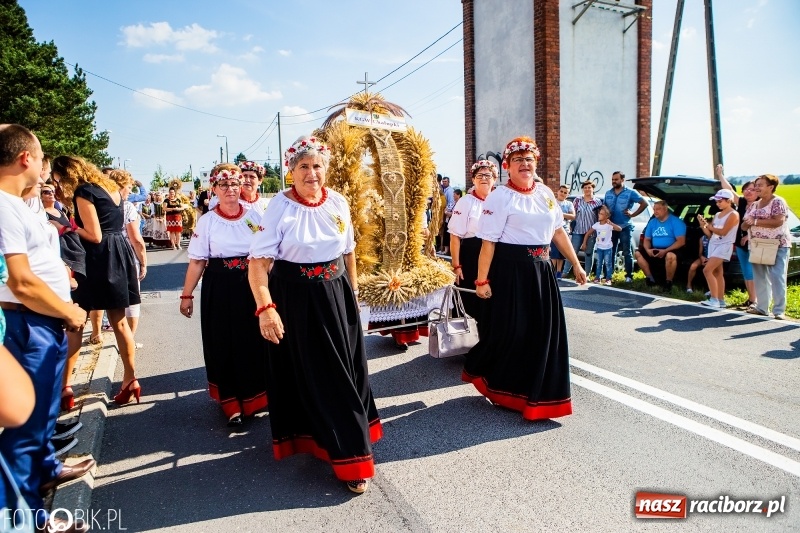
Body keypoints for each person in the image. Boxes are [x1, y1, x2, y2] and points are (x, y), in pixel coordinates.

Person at [249, 135, 382, 494]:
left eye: (317, 166)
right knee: (321, 376)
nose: (312, 173)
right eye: (304, 167)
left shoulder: (337, 201)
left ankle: (345, 437)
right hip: (297, 299)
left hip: (337, 293)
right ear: (291, 172)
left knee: (349, 371)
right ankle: (352, 457)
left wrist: (353, 292)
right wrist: (266, 309)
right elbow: (258, 265)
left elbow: (348, 251)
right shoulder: (279, 207)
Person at [0, 125, 90, 533]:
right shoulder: (4, 207)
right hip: (26, 323)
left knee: (42, 417)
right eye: (39, 157)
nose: (43, 166)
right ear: (25, 158)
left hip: (39, 319)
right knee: (25, 427)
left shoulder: (17, 204)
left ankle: (46, 471)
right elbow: (20, 281)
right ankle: (24, 519)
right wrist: (68, 311)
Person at [462, 136, 587, 421]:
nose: (524, 164)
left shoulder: (545, 193)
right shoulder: (499, 197)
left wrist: (576, 264)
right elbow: (488, 243)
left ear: (535, 163)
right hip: (510, 273)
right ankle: (501, 386)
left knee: (544, 335)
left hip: (542, 271)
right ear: (507, 166)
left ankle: (538, 396)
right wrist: (481, 281)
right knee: (512, 333)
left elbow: (558, 232)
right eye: (518, 160)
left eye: (529, 159)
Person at [179, 165, 268, 427]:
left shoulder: (254, 216)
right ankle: (230, 402)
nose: (230, 189)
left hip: (250, 285)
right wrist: (186, 295)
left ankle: (254, 397)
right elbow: (197, 261)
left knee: (251, 341)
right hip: (220, 288)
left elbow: (268, 255)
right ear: (215, 189)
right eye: (224, 185)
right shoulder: (208, 221)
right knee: (222, 342)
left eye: (234, 184)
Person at [51, 155, 142, 406]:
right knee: (120, 323)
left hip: (97, 260)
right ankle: (130, 379)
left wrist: (65, 227)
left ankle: (65, 388)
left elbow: (94, 235)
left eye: (58, 179)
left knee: (76, 323)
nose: (57, 184)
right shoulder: (109, 188)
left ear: (67, 175)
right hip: (119, 253)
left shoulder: (84, 191)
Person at [448, 159, 498, 318]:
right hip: (471, 256)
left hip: (495, 256)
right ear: (473, 179)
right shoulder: (466, 202)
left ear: (494, 179)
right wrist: (456, 265)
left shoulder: (499, 201)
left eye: (488, 175)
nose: (484, 178)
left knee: (493, 301)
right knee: (471, 300)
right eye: (479, 175)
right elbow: (455, 236)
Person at [741, 174, 791, 319]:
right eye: (756, 185)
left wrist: (755, 221)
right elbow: (744, 225)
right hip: (757, 245)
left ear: (771, 187)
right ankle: (762, 308)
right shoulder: (754, 205)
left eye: (760, 185)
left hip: (777, 245)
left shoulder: (778, 201)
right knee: (760, 277)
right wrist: (748, 223)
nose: (756, 188)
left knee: (777, 277)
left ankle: (779, 310)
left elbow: (778, 221)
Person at [109, 170, 147, 339]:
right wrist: (143, 261)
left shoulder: (99, 205)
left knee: (113, 301)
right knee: (132, 298)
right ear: (121, 185)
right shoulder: (127, 206)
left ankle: (120, 339)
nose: (130, 191)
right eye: (129, 187)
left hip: (106, 255)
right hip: (126, 255)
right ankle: (129, 340)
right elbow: (136, 239)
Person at [717, 165, 758, 308]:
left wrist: (750, 236)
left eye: (752, 189)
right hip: (740, 243)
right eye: (746, 189)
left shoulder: (760, 206)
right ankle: (751, 299)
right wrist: (720, 175)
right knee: (746, 272)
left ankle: (756, 301)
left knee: (753, 272)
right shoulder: (742, 202)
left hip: (754, 243)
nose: (748, 191)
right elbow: (729, 190)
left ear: (758, 192)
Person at [697, 190, 740, 308]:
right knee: (717, 272)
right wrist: (703, 225)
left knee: (707, 270)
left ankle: (714, 299)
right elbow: (711, 234)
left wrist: (709, 226)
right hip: (714, 244)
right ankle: (720, 300)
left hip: (724, 245)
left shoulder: (733, 214)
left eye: (720, 201)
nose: (718, 204)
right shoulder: (717, 215)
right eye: (716, 201)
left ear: (729, 201)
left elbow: (723, 232)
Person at [604, 171, 649, 283]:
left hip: (625, 226)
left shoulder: (630, 192)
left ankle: (629, 276)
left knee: (627, 252)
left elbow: (644, 203)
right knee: (611, 251)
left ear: (622, 180)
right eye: (612, 179)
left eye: (616, 179)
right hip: (612, 227)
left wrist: (633, 214)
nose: (614, 181)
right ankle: (609, 275)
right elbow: (604, 207)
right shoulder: (608, 193)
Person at [634, 200, 687, 291]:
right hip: (655, 248)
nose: (655, 211)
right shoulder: (652, 222)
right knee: (638, 254)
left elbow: (681, 242)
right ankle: (650, 279)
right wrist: (648, 250)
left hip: (671, 249)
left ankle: (668, 282)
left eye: (658, 209)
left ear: (665, 209)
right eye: (654, 209)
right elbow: (647, 239)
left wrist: (665, 251)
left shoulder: (676, 222)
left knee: (670, 256)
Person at [564, 180, 603, 277]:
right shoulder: (578, 200)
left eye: (589, 187)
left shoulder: (597, 202)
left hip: (591, 232)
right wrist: (571, 225)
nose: (587, 189)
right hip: (578, 230)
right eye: (585, 188)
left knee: (589, 253)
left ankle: (587, 275)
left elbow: (600, 217)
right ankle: (565, 272)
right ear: (583, 189)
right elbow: (573, 214)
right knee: (573, 252)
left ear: (593, 189)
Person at [583, 205, 621, 285]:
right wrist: (584, 243)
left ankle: (608, 278)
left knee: (608, 263)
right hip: (599, 248)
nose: (599, 215)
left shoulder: (609, 225)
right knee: (599, 263)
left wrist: (611, 223)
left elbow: (619, 229)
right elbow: (588, 233)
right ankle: (597, 277)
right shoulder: (596, 225)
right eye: (599, 213)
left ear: (606, 216)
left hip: (608, 248)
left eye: (601, 214)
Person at [550, 184, 575, 279]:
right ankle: (552, 271)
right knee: (554, 252)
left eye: (565, 193)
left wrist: (560, 214)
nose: (563, 194)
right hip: (553, 230)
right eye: (561, 191)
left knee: (561, 252)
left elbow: (572, 216)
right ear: (558, 191)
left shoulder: (569, 204)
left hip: (565, 230)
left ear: (567, 194)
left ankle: (559, 272)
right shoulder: (552, 202)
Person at [685, 224, 710, 293]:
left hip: (713, 258)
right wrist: (702, 257)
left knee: (710, 269)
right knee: (693, 266)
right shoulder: (702, 238)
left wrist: (709, 260)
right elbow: (700, 253)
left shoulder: (715, 238)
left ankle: (710, 289)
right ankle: (688, 285)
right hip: (704, 257)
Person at [438, 176, 455, 255]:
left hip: (446, 213)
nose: (444, 183)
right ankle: (441, 247)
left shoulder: (450, 191)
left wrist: (447, 212)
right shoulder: (444, 189)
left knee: (444, 232)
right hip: (442, 212)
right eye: (443, 181)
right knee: (440, 231)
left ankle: (444, 249)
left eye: (445, 181)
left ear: (449, 182)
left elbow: (450, 203)